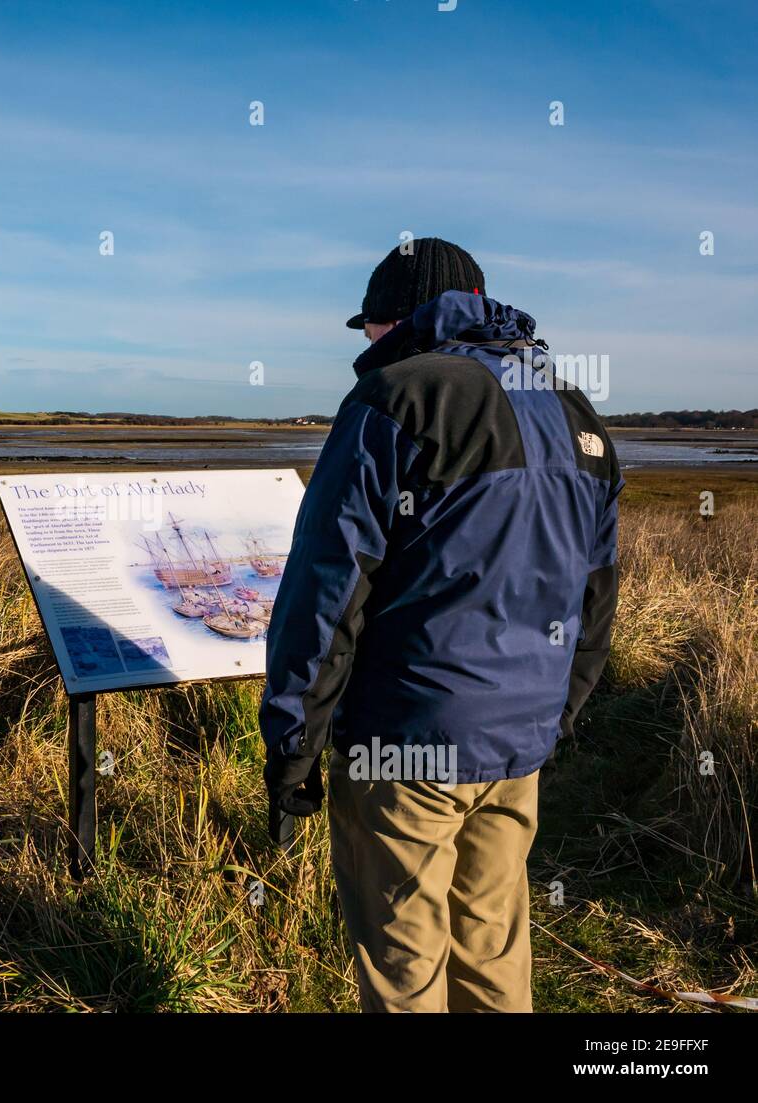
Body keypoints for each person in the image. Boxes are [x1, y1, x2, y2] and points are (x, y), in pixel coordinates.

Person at [260, 237, 621, 1012]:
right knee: (492, 950)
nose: (365, 345)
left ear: (397, 319)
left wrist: (294, 740)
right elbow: (595, 599)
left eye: (369, 328)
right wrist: (554, 717)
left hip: (406, 742)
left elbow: (326, 588)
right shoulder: (573, 409)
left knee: (406, 967)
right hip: (516, 744)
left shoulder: (395, 398)